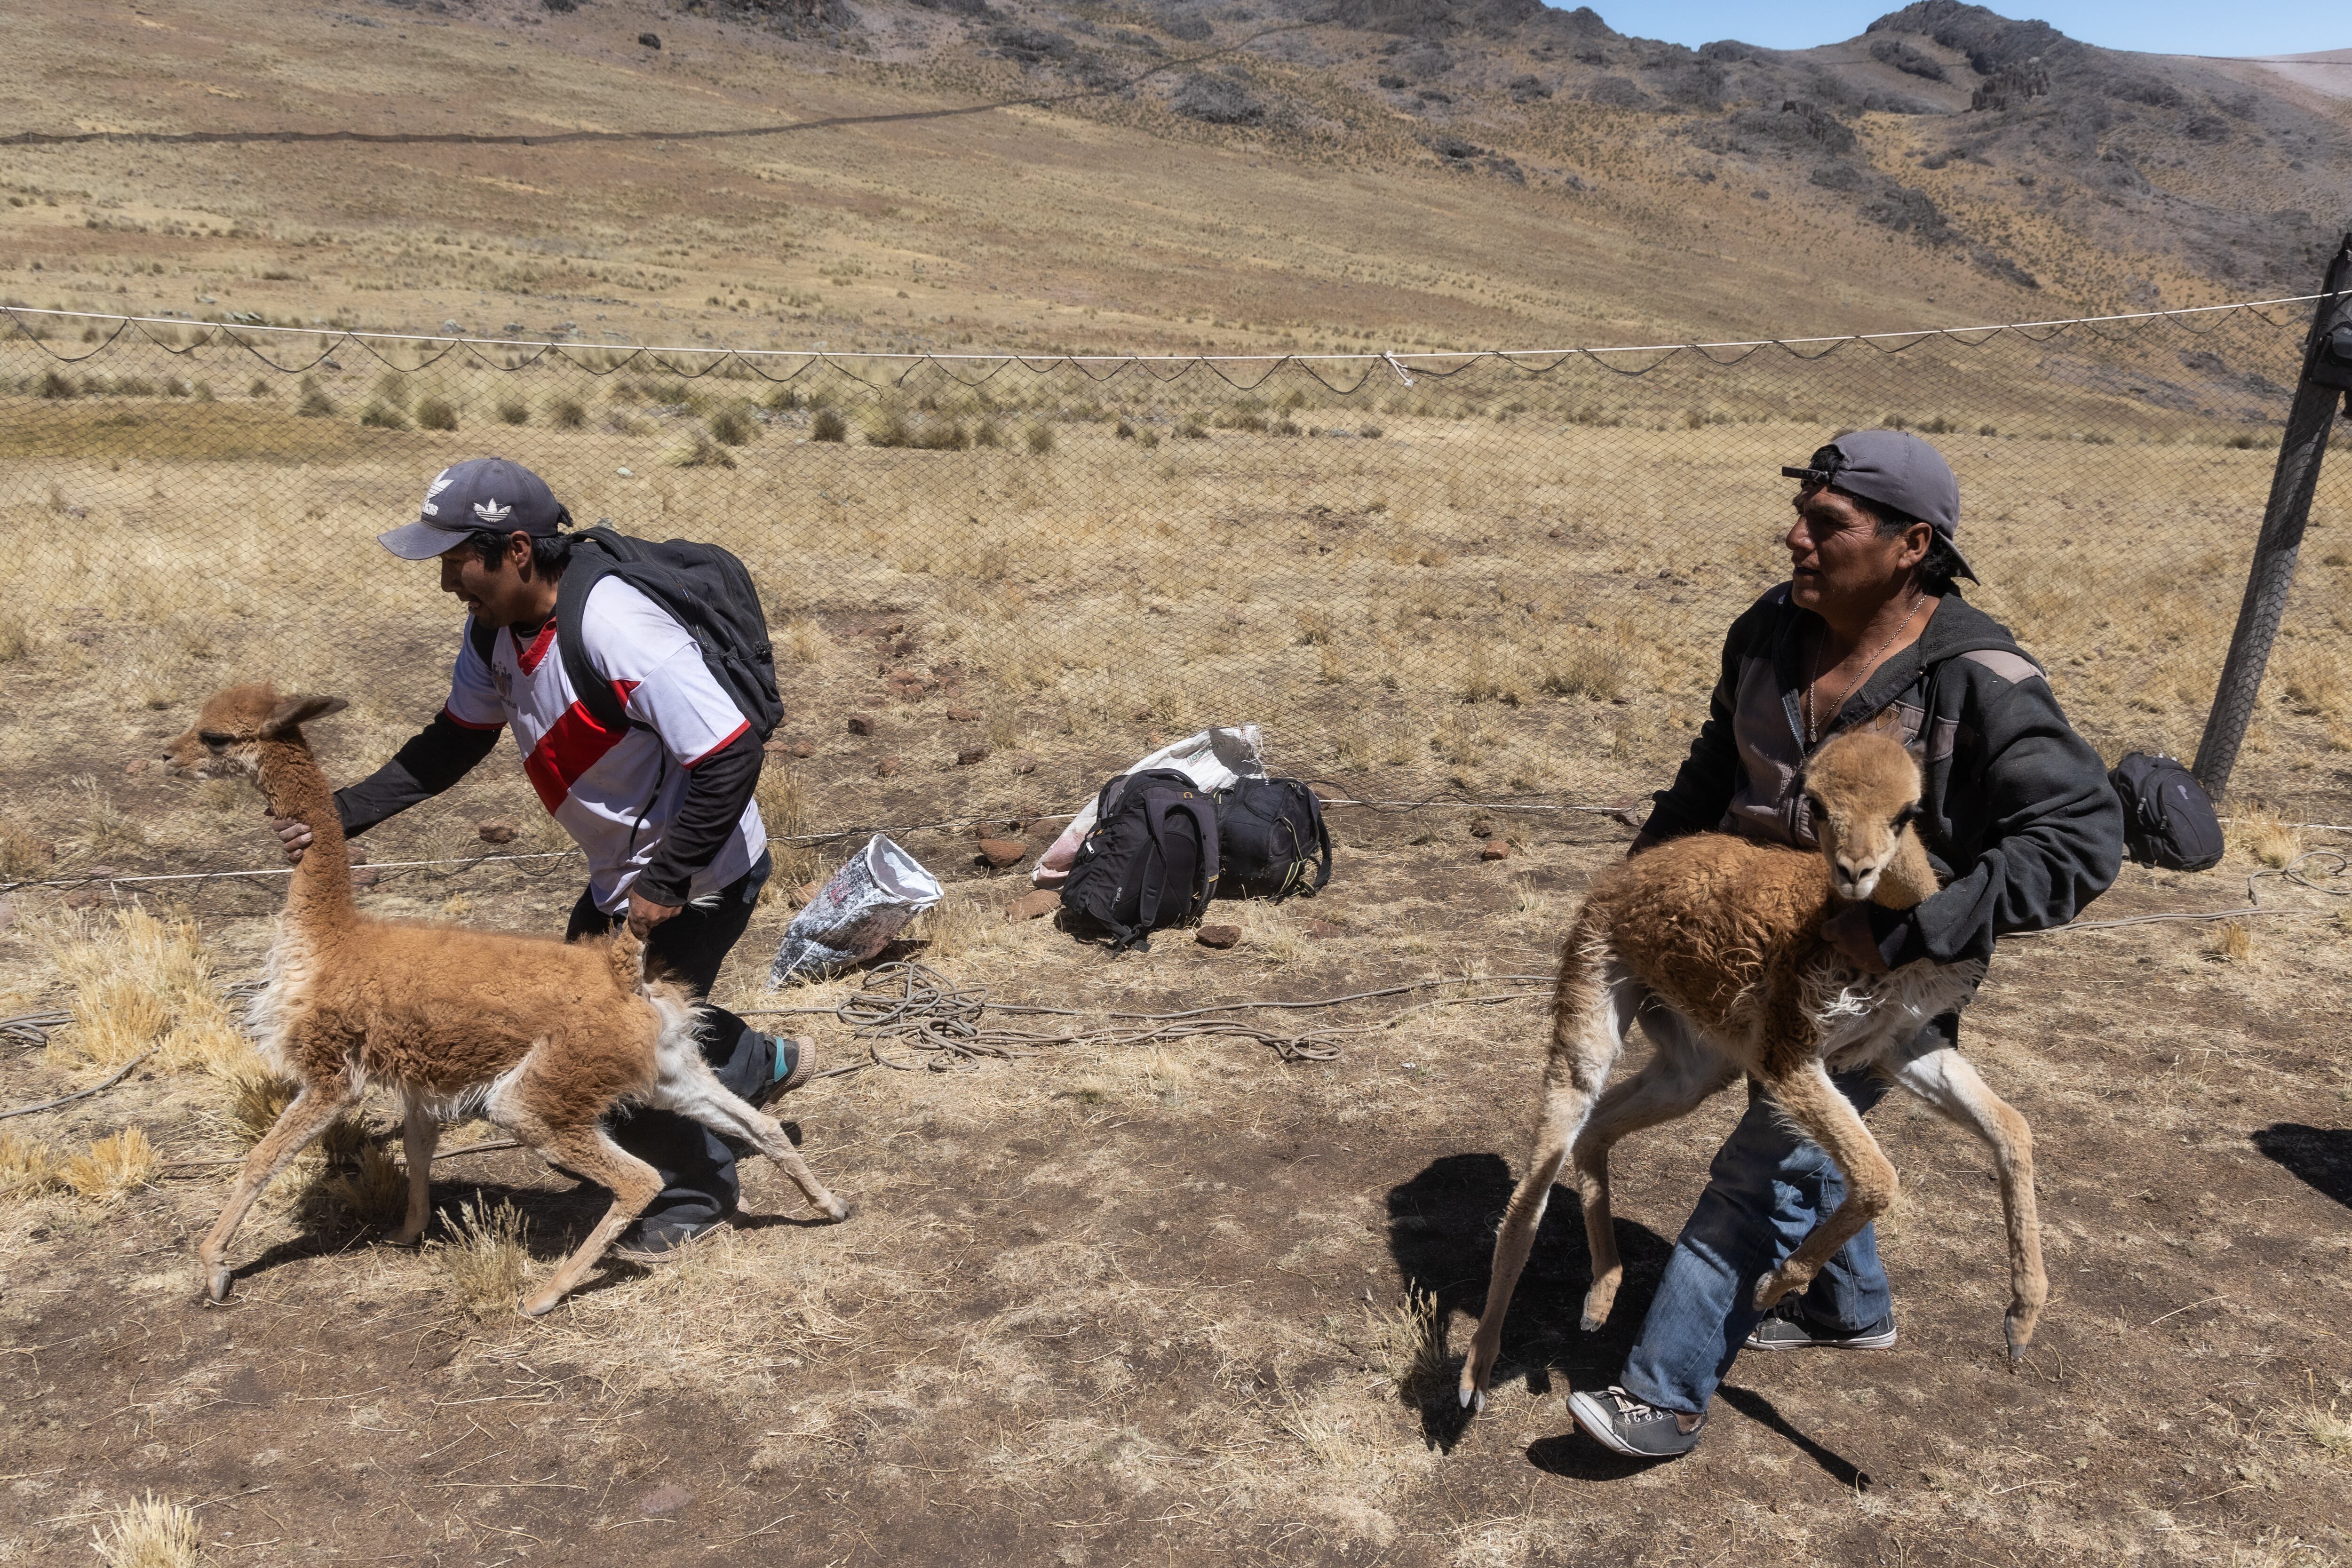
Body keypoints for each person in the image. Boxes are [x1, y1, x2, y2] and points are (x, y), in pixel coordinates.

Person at [1565, 429, 2123, 1459]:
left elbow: (2080, 839)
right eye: (1801, 516)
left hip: (1891, 973)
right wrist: (1639, 899)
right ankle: (1847, 1307)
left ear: (1912, 543)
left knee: (1768, 1163)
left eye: (1828, 524)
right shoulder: (1771, 631)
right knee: (1802, 1132)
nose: (1796, 539)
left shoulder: (1981, 678)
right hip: (1759, 938)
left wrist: (1914, 925)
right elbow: (1709, 769)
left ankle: (1663, 1390)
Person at [271, 456, 817, 1257]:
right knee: (599, 1025)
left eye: (459, 560)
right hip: (621, 877)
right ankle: (758, 1059)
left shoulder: (616, 627)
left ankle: (695, 1191)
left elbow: (729, 755)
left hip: (702, 872)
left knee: (591, 1049)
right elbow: (453, 742)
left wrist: (668, 880)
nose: (449, 580)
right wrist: (338, 816)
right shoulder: (494, 632)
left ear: (517, 549)